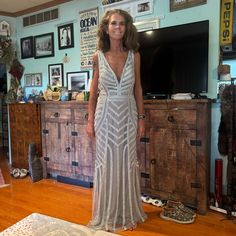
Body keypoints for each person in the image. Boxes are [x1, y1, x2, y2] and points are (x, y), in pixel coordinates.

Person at [86, 9, 147, 232]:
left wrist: (141, 119)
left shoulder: (135, 55)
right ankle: (107, 214)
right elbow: (93, 92)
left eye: (122, 24)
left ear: (127, 27)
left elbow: (138, 88)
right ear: (106, 27)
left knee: (127, 163)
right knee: (107, 162)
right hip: (105, 115)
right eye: (113, 23)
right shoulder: (97, 56)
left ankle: (127, 212)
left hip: (128, 115)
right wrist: (90, 119)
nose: (118, 27)